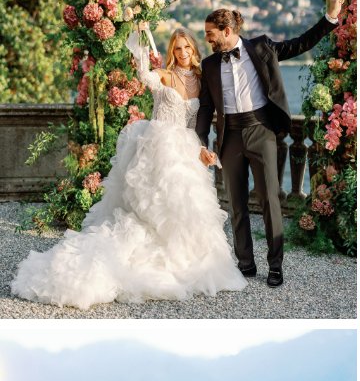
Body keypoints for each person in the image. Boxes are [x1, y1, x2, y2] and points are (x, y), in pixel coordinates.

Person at [11, 25, 248, 309]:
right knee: (150, 208)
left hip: (185, 150)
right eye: (177, 48)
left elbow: (195, 125)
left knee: (186, 207)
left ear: (194, 50)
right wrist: (142, 39)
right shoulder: (163, 75)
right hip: (158, 147)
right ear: (172, 52)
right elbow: (143, 75)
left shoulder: (201, 81)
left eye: (187, 47)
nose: (183, 52)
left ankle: (185, 265)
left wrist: (202, 150)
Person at [196, 0, 346, 288]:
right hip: (229, 137)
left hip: (261, 131)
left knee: (270, 201)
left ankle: (275, 266)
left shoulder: (262, 48)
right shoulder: (209, 65)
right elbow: (205, 108)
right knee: (236, 204)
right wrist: (200, 142)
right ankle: (245, 263)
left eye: (210, 33)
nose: (207, 38)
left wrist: (330, 18)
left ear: (227, 31)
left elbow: (300, 44)